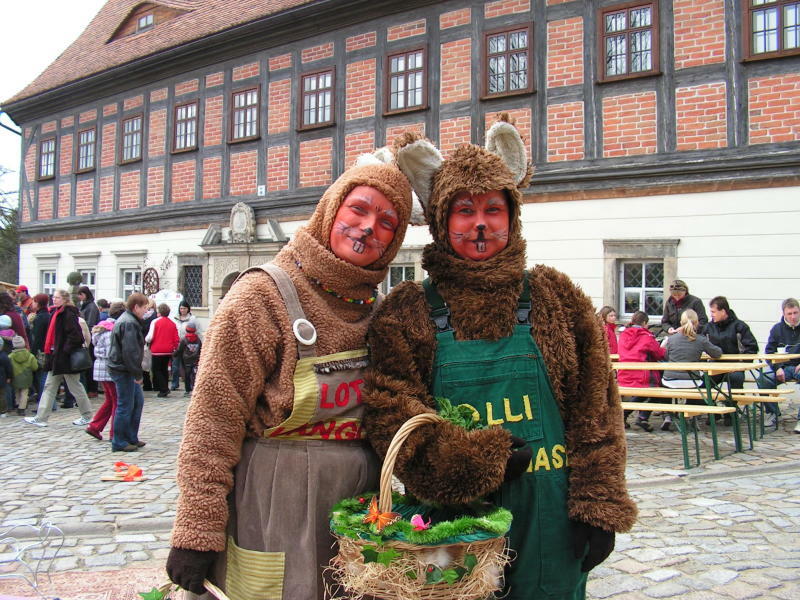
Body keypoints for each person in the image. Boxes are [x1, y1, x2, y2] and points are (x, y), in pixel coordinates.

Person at [362, 120, 636, 600]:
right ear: (444, 222)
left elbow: (597, 409)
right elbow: (392, 417)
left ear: (513, 215)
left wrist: (599, 504)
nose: (481, 223)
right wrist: (466, 463)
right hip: (451, 522)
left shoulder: (555, 298)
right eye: (464, 211)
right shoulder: (408, 311)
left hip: (551, 516)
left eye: (493, 208)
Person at [166, 149, 413, 599]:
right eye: (358, 209)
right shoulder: (260, 297)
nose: (367, 228)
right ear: (331, 208)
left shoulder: (380, 314)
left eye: (386, 223)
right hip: (272, 504)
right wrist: (196, 530)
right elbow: (211, 422)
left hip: (360, 510)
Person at [24, 290, 94, 428]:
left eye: (57, 297)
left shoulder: (68, 313)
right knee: (50, 386)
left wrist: (64, 351)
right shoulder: (57, 312)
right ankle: (41, 417)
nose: (54, 299)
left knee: (75, 387)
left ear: (65, 299)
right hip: (57, 357)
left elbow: (75, 336)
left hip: (64, 358)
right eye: (54, 297)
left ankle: (87, 416)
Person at [662, 310, 723, 429]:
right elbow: (717, 353)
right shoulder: (700, 340)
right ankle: (690, 416)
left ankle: (669, 416)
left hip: (669, 380)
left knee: (661, 385)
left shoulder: (671, 339)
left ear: (681, 322)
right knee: (705, 388)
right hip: (692, 381)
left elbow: (666, 356)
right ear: (697, 323)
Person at [107, 293, 149, 452]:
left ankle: (131, 437)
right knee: (126, 405)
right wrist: (137, 375)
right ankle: (119, 441)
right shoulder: (129, 323)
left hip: (124, 368)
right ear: (136, 307)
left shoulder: (129, 320)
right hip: (123, 369)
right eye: (144, 307)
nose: (146, 311)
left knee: (137, 402)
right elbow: (130, 352)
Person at [617, 311, 666, 432]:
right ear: (645, 323)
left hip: (624, 374)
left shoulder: (623, 335)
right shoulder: (646, 336)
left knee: (643, 392)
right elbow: (658, 354)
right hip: (641, 374)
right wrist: (665, 347)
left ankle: (626, 415)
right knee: (657, 390)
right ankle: (642, 417)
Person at [704, 296, 758, 402]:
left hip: (736, 367)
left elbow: (752, 348)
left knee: (735, 379)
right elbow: (700, 345)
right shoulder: (708, 327)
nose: (711, 315)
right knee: (702, 384)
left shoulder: (740, 326)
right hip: (715, 366)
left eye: (713, 312)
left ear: (723, 311)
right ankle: (713, 412)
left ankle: (731, 414)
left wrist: (741, 365)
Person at [85, 302, 125, 441]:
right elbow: (111, 352)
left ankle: (95, 426)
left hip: (102, 369)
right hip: (109, 369)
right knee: (117, 402)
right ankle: (115, 433)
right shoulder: (111, 330)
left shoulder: (103, 326)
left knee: (110, 400)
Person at [763, 298, 800, 433]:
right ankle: (772, 412)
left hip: (798, 367)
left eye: (795, 313)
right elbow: (769, 351)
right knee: (764, 378)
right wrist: (777, 368)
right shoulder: (777, 329)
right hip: (782, 367)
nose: (793, 317)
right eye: (789, 313)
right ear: (784, 313)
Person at [146, 304, 180, 398]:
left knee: (156, 370)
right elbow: (176, 338)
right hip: (168, 350)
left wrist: (146, 340)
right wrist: (175, 347)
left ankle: (163, 388)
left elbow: (150, 337)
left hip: (157, 349)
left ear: (159, 312)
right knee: (164, 369)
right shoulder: (172, 323)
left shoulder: (155, 322)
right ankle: (164, 388)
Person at [29, 294, 51, 405]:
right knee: (46, 378)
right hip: (47, 349)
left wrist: (32, 353)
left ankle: (44, 404)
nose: (32, 303)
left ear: (38, 303)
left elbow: (37, 338)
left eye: (34, 301)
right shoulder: (48, 315)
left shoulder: (40, 318)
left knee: (42, 377)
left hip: (41, 351)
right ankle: (50, 404)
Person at [9, 335, 38, 417]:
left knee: (17, 392)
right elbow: (35, 367)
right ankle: (22, 408)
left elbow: (9, 368)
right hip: (27, 377)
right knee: (25, 393)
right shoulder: (30, 355)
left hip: (15, 377)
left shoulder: (10, 357)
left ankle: (18, 404)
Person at [172, 321, 201, 397]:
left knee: (187, 375)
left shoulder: (184, 339)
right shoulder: (198, 340)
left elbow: (180, 349)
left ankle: (188, 390)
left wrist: (174, 355)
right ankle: (195, 389)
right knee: (195, 375)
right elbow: (201, 349)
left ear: (186, 329)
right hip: (195, 359)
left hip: (186, 360)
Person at [171, 300, 194, 391]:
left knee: (187, 366)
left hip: (187, 345)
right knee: (175, 365)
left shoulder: (192, 319)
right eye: (181, 308)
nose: (182, 310)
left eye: (184, 308)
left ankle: (188, 385)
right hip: (177, 344)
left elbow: (197, 331)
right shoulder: (175, 318)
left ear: (188, 309)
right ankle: (174, 383)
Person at [140, 298, 158, 392]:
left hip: (143, 341)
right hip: (152, 343)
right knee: (152, 365)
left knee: (144, 365)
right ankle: (155, 384)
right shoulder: (155, 316)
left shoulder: (141, 317)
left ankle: (147, 384)